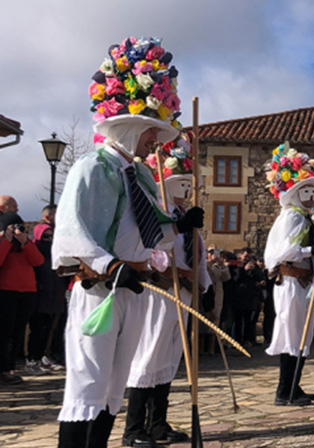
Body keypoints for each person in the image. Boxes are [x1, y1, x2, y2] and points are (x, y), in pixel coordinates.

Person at [53, 35, 200, 448]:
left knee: (114, 386)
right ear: (131, 125)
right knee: (88, 385)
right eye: (152, 131)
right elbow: (71, 232)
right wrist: (109, 266)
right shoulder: (92, 167)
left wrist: (182, 224)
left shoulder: (139, 176)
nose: (156, 141)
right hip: (101, 291)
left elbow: (153, 231)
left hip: (135, 289)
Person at [124, 135, 211, 447]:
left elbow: (196, 258)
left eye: (189, 185)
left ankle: (158, 423)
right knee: (148, 356)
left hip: (184, 295)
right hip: (160, 294)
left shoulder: (183, 218)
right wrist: (181, 269)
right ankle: (134, 428)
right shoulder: (157, 214)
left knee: (170, 357)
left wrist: (204, 285)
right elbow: (154, 253)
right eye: (180, 184)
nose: (186, 191)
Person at [263, 144, 314, 406]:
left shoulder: (306, 219)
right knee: (293, 335)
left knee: (303, 336)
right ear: (295, 193)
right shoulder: (291, 217)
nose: (312, 196)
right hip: (291, 283)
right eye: (307, 191)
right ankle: (284, 391)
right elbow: (280, 252)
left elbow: (307, 254)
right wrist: (310, 249)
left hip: (304, 282)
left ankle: (294, 387)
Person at [0, 212, 45, 383]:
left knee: (18, 332)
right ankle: (3, 368)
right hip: (5, 292)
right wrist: (6, 241)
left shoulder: (27, 244)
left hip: (27, 293)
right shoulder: (3, 243)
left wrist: (25, 242)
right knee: (5, 332)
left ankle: (9, 368)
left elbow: (38, 261)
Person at [27, 224, 68, 375]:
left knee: (49, 330)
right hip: (39, 297)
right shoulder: (35, 252)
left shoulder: (57, 253)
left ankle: (42, 357)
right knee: (37, 330)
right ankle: (32, 360)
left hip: (55, 296)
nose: (49, 239)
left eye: (52, 236)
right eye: (46, 236)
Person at [205, 247, 231, 355]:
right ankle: (202, 348)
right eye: (211, 253)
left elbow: (226, 278)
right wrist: (210, 261)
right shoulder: (205, 264)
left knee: (215, 321)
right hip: (206, 295)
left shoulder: (217, 267)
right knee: (204, 321)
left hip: (217, 296)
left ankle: (212, 347)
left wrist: (223, 266)